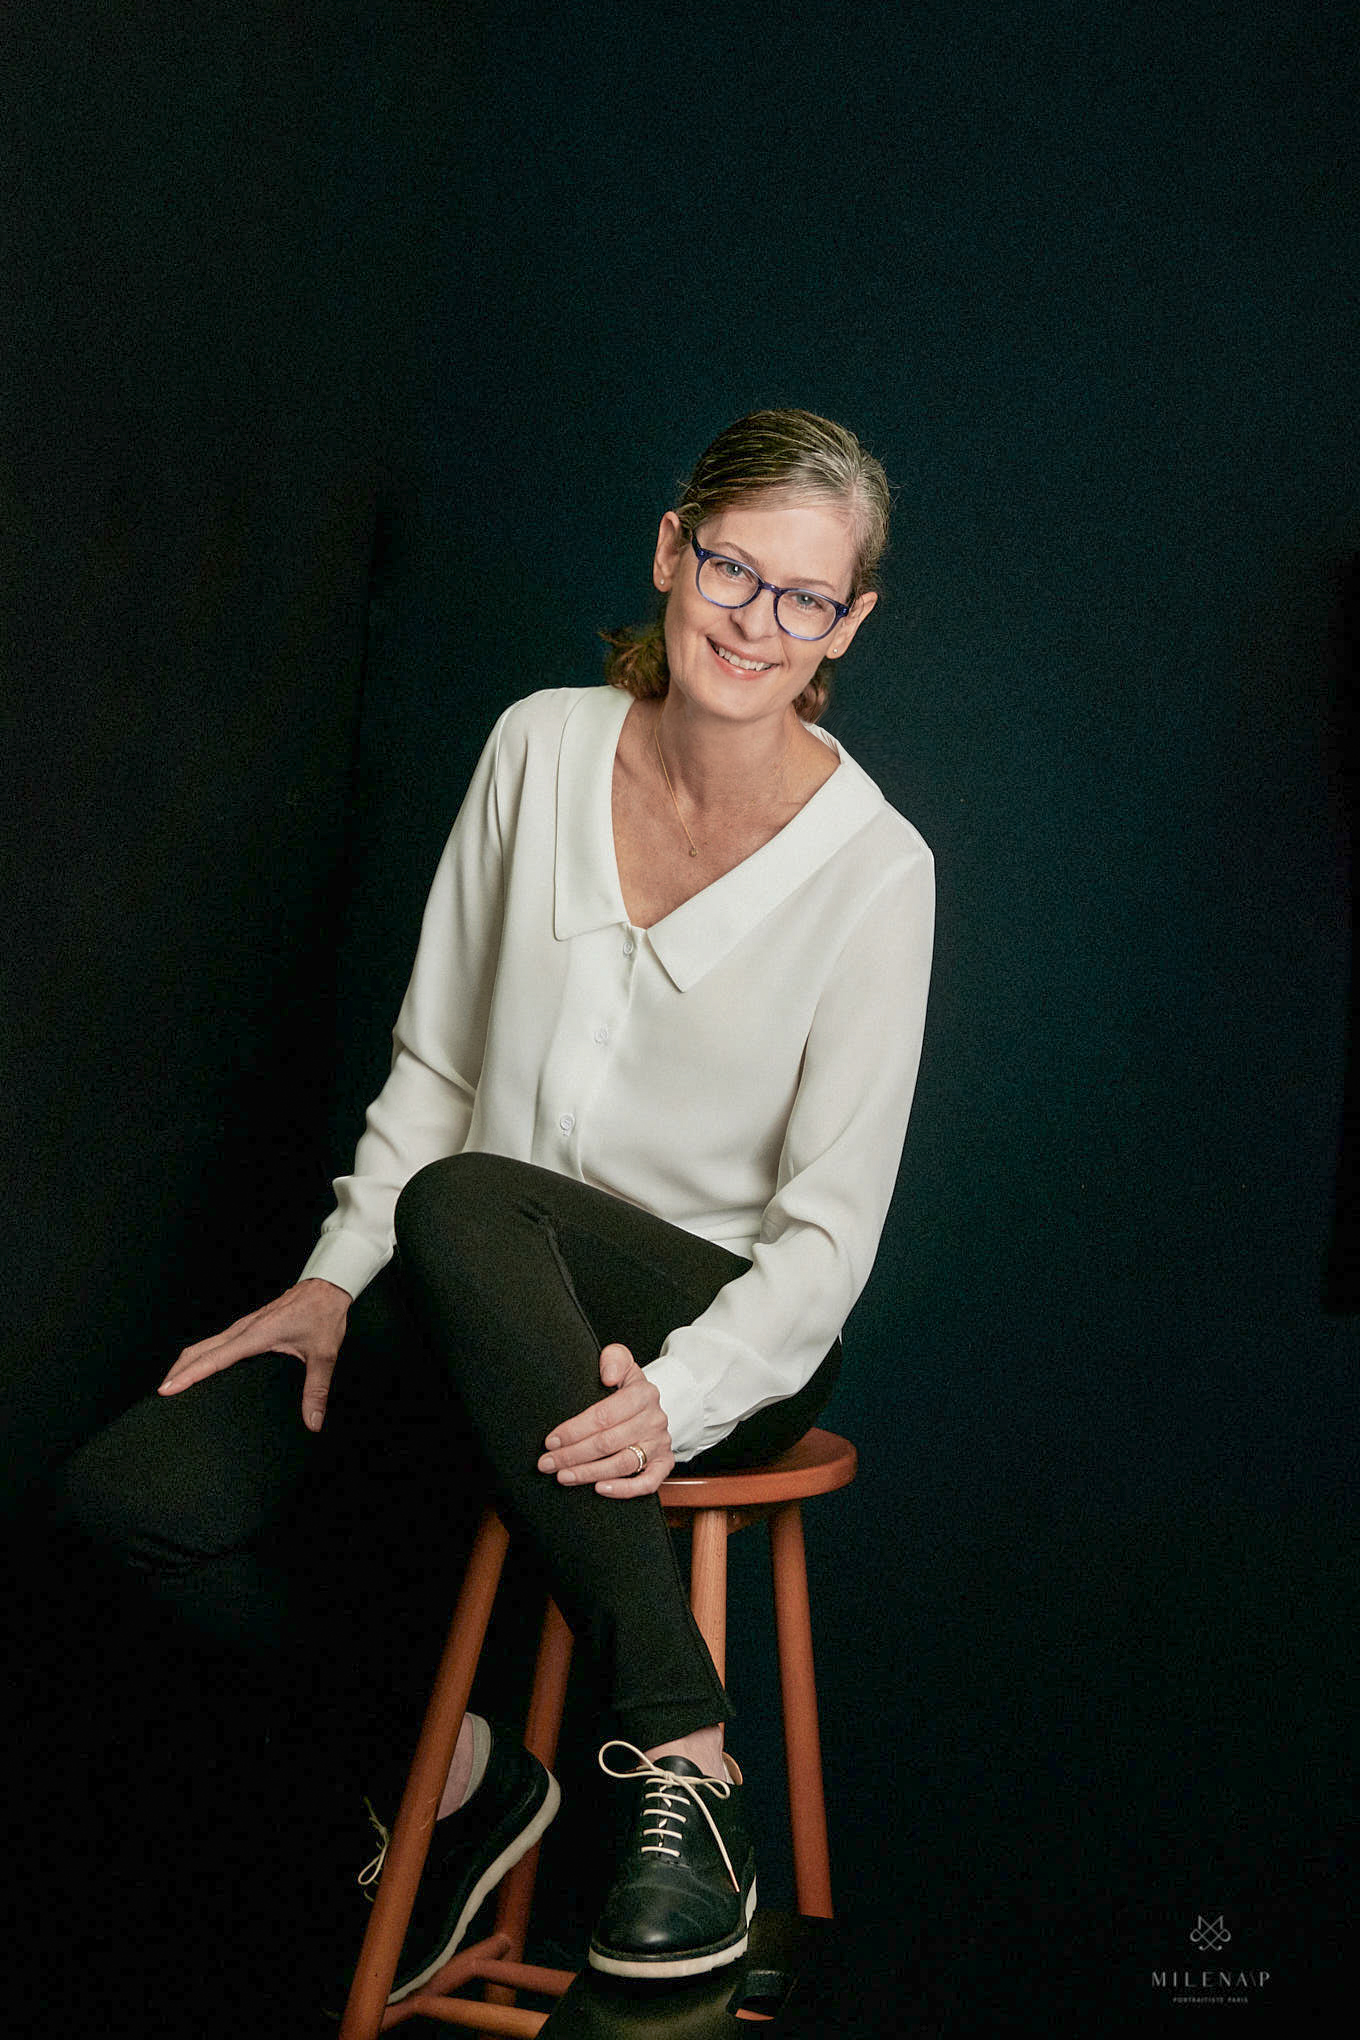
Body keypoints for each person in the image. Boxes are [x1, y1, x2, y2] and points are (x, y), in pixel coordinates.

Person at [59, 408, 934, 1997]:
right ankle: (461, 1779)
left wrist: (683, 1392)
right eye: (731, 568)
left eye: (805, 596)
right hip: (475, 1282)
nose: (757, 620)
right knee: (132, 1502)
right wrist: (334, 1283)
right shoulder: (539, 747)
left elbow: (829, 1240)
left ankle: (689, 1760)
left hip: (718, 1327)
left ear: (848, 625)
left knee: (470, 1204)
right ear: (670, 551)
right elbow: (436, 1072)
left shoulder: (879, 871)